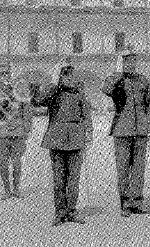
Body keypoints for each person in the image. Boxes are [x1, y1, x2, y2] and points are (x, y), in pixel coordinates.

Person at [30, 59, 93, 226]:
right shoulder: (53, 93)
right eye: (64, 74)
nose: (68, 78)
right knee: (59, 180)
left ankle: (72, 211)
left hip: (76, 139)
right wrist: (53, 83)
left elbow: (86, 115)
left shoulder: (79, 93)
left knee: (73, 179)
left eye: (70, 74)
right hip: (57, 139)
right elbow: (38, 101)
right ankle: (60, 212)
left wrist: (88, 134)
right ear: (59, 76)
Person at [101, 47, 150, 217]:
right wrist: (119, 74)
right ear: (121, 62)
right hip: (122, 129)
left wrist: (149, 123)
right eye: (127, 61)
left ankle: (137, 202)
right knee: (123, 167)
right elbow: (105, 88)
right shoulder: (117, 79)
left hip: (141, 129)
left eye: (133, 61)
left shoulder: (143, 80)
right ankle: (125, 203)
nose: (131, 64)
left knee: (139, 167)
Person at [0, 62, 33, 200]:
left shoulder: (19, 90)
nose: (4, 76)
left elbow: (27, 110)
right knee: (2, 162)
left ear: (11, 74)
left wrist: (27, 129)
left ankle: (16, 189)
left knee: (16, 161)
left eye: (6, 73)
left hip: (17, 132)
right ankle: (7, 189)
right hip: (1, 132)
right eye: (1, 74)